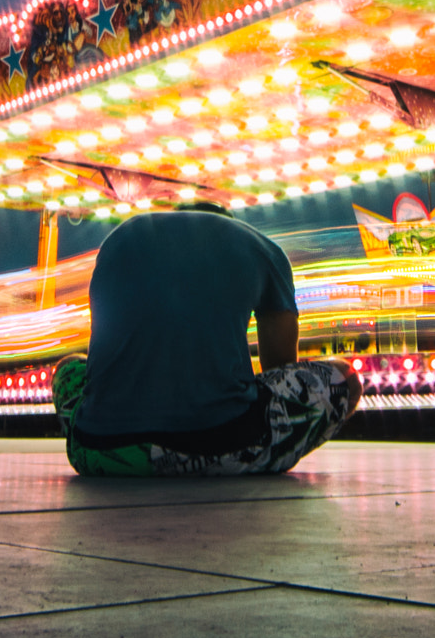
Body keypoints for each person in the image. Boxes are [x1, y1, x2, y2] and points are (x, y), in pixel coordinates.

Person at [52, 201, 359, 476]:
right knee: (345, 377)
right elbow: (279, 369)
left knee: (69, 367)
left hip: (96, 450)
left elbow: (101, 364)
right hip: (221, 448)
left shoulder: (119, 238)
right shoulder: (260, 245)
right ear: (231, 221)